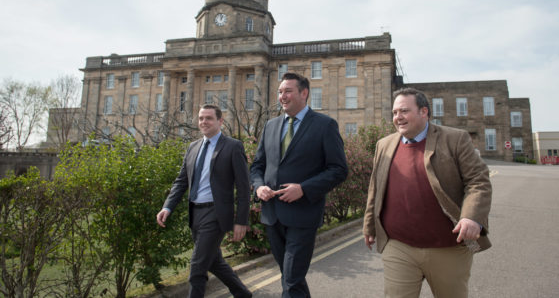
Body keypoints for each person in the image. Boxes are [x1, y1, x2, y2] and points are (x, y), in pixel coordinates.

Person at [363, 87, 492, 298]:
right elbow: (375, 188)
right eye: (395, 113)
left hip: (448, 246)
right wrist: (369, 225)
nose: (398, 117)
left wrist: (471, 217)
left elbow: (478, 181)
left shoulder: (455, 139)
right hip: (399, 246)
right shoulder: (383, 145)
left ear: (424, 112)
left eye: (404, 111)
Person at [250, 72, 348, 298]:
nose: (282, 96)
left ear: (304, 93)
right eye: (280, 92)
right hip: (272, 214)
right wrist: (258, 187)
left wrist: (304, 188)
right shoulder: (270, 126)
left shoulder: (325, 125)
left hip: (304, 216)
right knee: (289, 277)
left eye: (288, 91)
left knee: (292, 279)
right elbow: (257, 166)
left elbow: (338, 169)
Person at [156, 104, 252, 298]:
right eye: (201, 118)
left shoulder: (233, 146)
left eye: (208, 118)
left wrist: (241, 221)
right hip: (195, 213)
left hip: (216, 213)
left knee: (197, 267)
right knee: (214, 261)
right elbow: (181, 181)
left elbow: (243, 187)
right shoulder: (193, 147)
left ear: (220, 121)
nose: (203, 122)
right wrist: (168, 206)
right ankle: (243, 294)